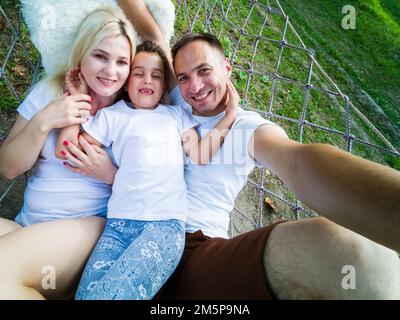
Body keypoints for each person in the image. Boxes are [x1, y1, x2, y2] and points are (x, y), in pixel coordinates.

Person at [119, 30, 398, 299]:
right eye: (184, 77)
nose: (195, 86)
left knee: (351, 253)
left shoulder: (245, 128)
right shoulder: (178, 100)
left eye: (205, 71)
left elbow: (298, 163)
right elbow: (154, 35)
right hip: (131, 217)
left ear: (227, 68)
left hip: (192, 246)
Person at [0, 3, 166, 299]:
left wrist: (110, 174)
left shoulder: (133, 114)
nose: (110, 72)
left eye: (121, 62)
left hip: (84, 234)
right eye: (100, 57)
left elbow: (151, 191)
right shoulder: (49, 92)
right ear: (82, 55)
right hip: (28, 226)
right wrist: (44, 121)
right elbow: (8, 167)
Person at [70, 40, 237, 300]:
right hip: (117, 224)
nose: (147, 80)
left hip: (164, 227)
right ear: (126, 81)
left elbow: (201, 154)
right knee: (87, 295)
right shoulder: (113, 116)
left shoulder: (175, 116)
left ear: (163, 86)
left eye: (156, 76)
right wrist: (80, 99)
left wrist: (229, 116)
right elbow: (80, 145)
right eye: (139, 73)